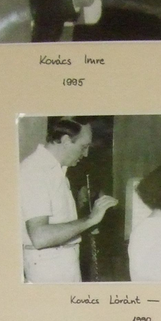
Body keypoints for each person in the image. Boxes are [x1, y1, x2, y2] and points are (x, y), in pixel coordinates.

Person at [20, 117, 117, 284]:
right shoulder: (35, 171)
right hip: (49, 269)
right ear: (65, 141)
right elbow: (40, 236)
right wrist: (90, 220)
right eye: (83, 147)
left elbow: (59, 224)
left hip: (60, 262)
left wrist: (86, 226)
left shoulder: (56, 170)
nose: (86, 154)